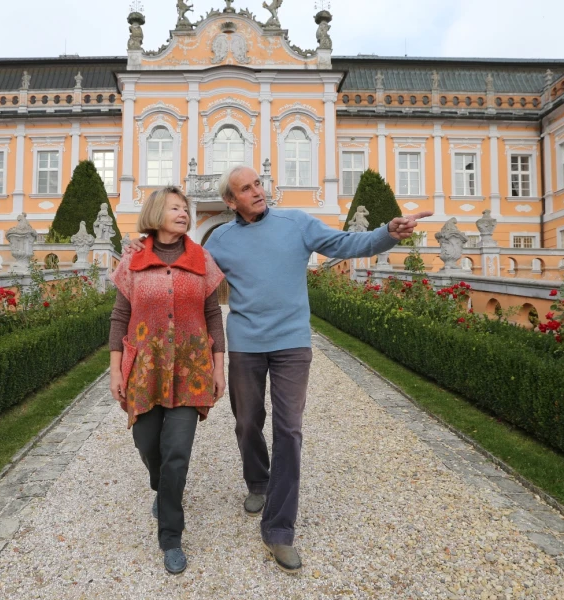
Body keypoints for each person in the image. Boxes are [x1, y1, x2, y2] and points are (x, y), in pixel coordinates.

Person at [126, 166, 430, 573]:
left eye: (258, 184)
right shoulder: (222, 242)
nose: (257, 192)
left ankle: (280, 529)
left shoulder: (297, 223)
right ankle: (257, 481)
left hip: (291, 344)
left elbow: (345, 242)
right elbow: (183, 268)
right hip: (247, 345)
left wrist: (387, 232)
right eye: (246, 189)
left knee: (289, 430)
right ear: (230, 202)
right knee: (247, 421)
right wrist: (139, 249)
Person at [109, 186, 226, 575]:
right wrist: (114, 370)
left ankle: (171, 537)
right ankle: (161, 487)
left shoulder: (202, 259)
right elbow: (119, 318)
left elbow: (214, 316)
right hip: (145, 368)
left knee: (177, 453)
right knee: (147, 443)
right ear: (157, 213)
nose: (184, 214)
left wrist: (218, 367)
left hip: (191, 369)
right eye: (176, 208)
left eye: (186, 209)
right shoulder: (133, 261)